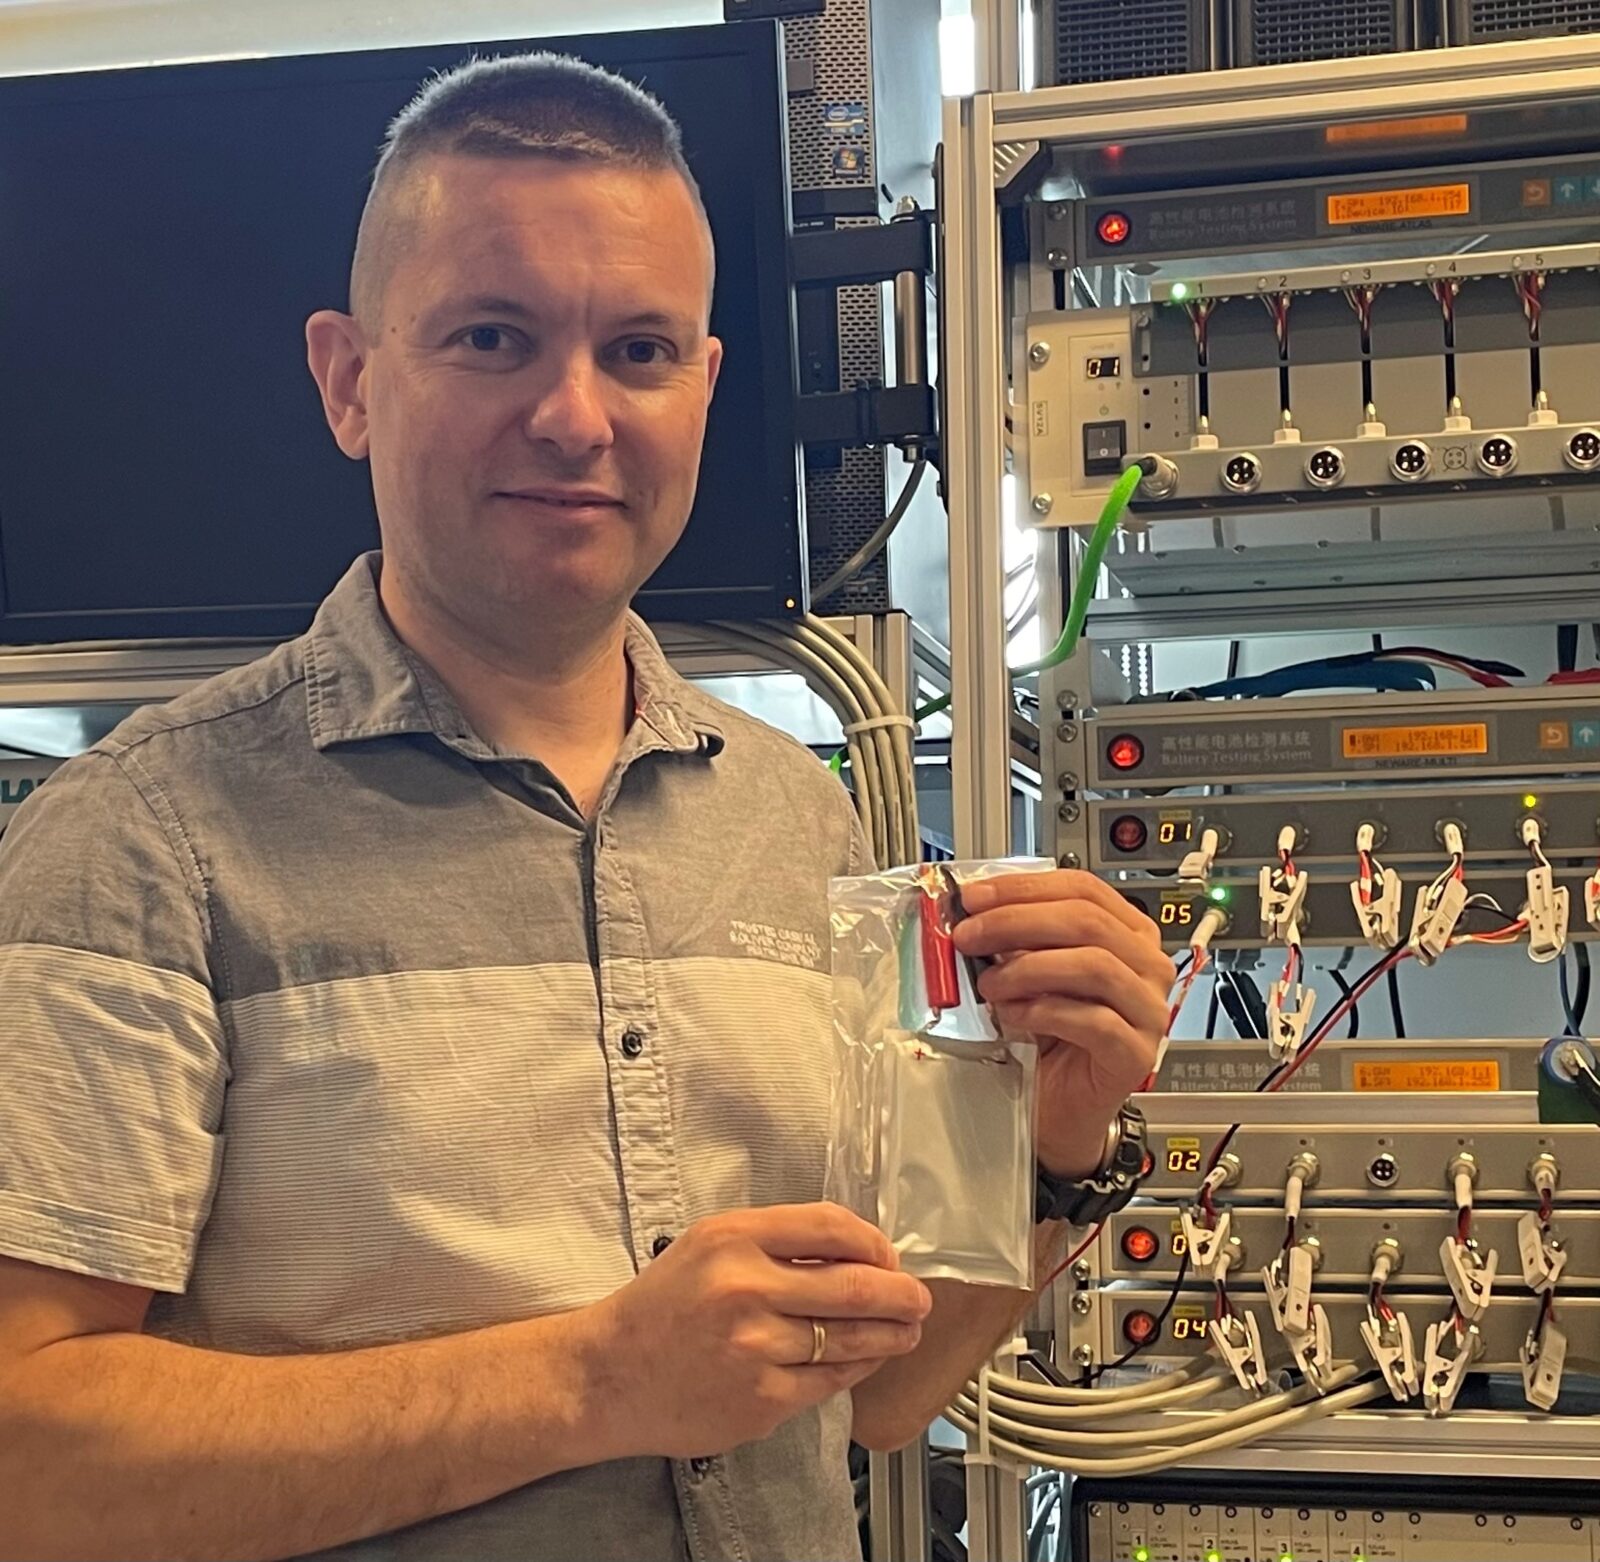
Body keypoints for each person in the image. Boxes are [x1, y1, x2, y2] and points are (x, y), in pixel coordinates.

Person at [0, 51, 1172, 1562]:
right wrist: (594, 1381)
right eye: (493, 337)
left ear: (705, 388)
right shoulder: (143, 837)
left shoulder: (797, 819)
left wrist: (1058, 1148)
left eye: (637, 350)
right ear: (349, 380)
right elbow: (30, 1462)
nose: (573, 415)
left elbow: (881, 1395)